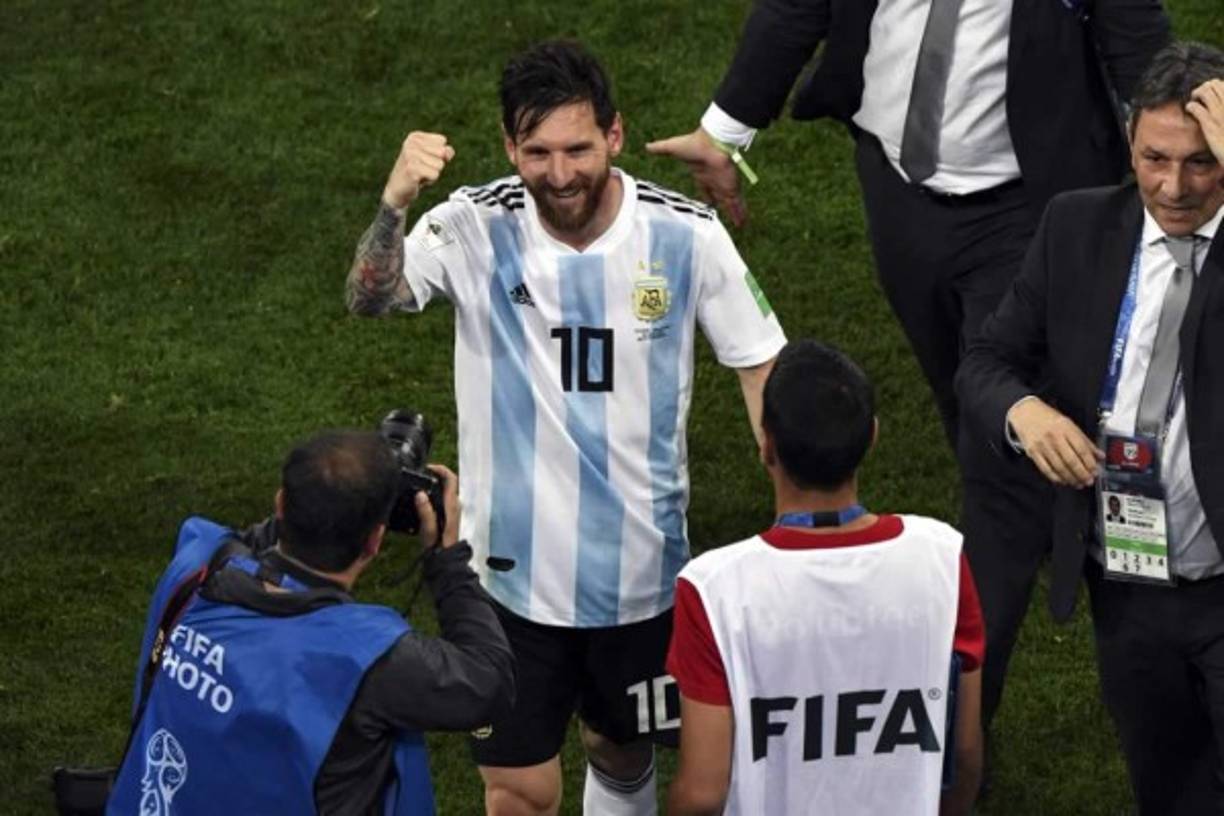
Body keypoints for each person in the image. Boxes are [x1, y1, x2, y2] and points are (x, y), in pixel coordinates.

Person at [646, 0, 1170, 736]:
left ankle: (951, 737)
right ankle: (1027, 501)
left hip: (1027, 208)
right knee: (964, 398)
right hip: (897, 191)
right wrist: (725, 130)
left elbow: (1141, 47)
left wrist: (1181, 165)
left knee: (1002, 466)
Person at [345, 40, 786, 816]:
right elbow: (370, 298)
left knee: (622, 751)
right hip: (505, 584)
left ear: (614, 136)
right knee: (520, 788)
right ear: (510, 145)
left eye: (578, 149)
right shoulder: (474, 225)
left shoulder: (684, 235)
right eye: (537, 151)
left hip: (645, 576)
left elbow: (761, 366)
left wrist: (790, 503)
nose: (559, 173)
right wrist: (394, 204)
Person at [956, 42, 1224, 814]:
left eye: (1203, 163)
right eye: (1155, 158)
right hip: (1128, 584)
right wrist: (1024, 412)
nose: (1173, 186)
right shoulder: (1076, 227)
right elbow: (986, 359)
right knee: (1165, 784)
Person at [106, 431, 514, 815]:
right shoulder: (368, 659)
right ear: (374, 542)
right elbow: (490, 681)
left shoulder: (197, 564)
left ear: (281, 504)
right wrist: (448, 563)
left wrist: (325, 493)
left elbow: (242, 542)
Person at [666, 339, 985, 815]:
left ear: (766, 445)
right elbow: (962, 750)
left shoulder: (714, 590)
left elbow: (702, 792)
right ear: (872, 437)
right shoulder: (940, 557)